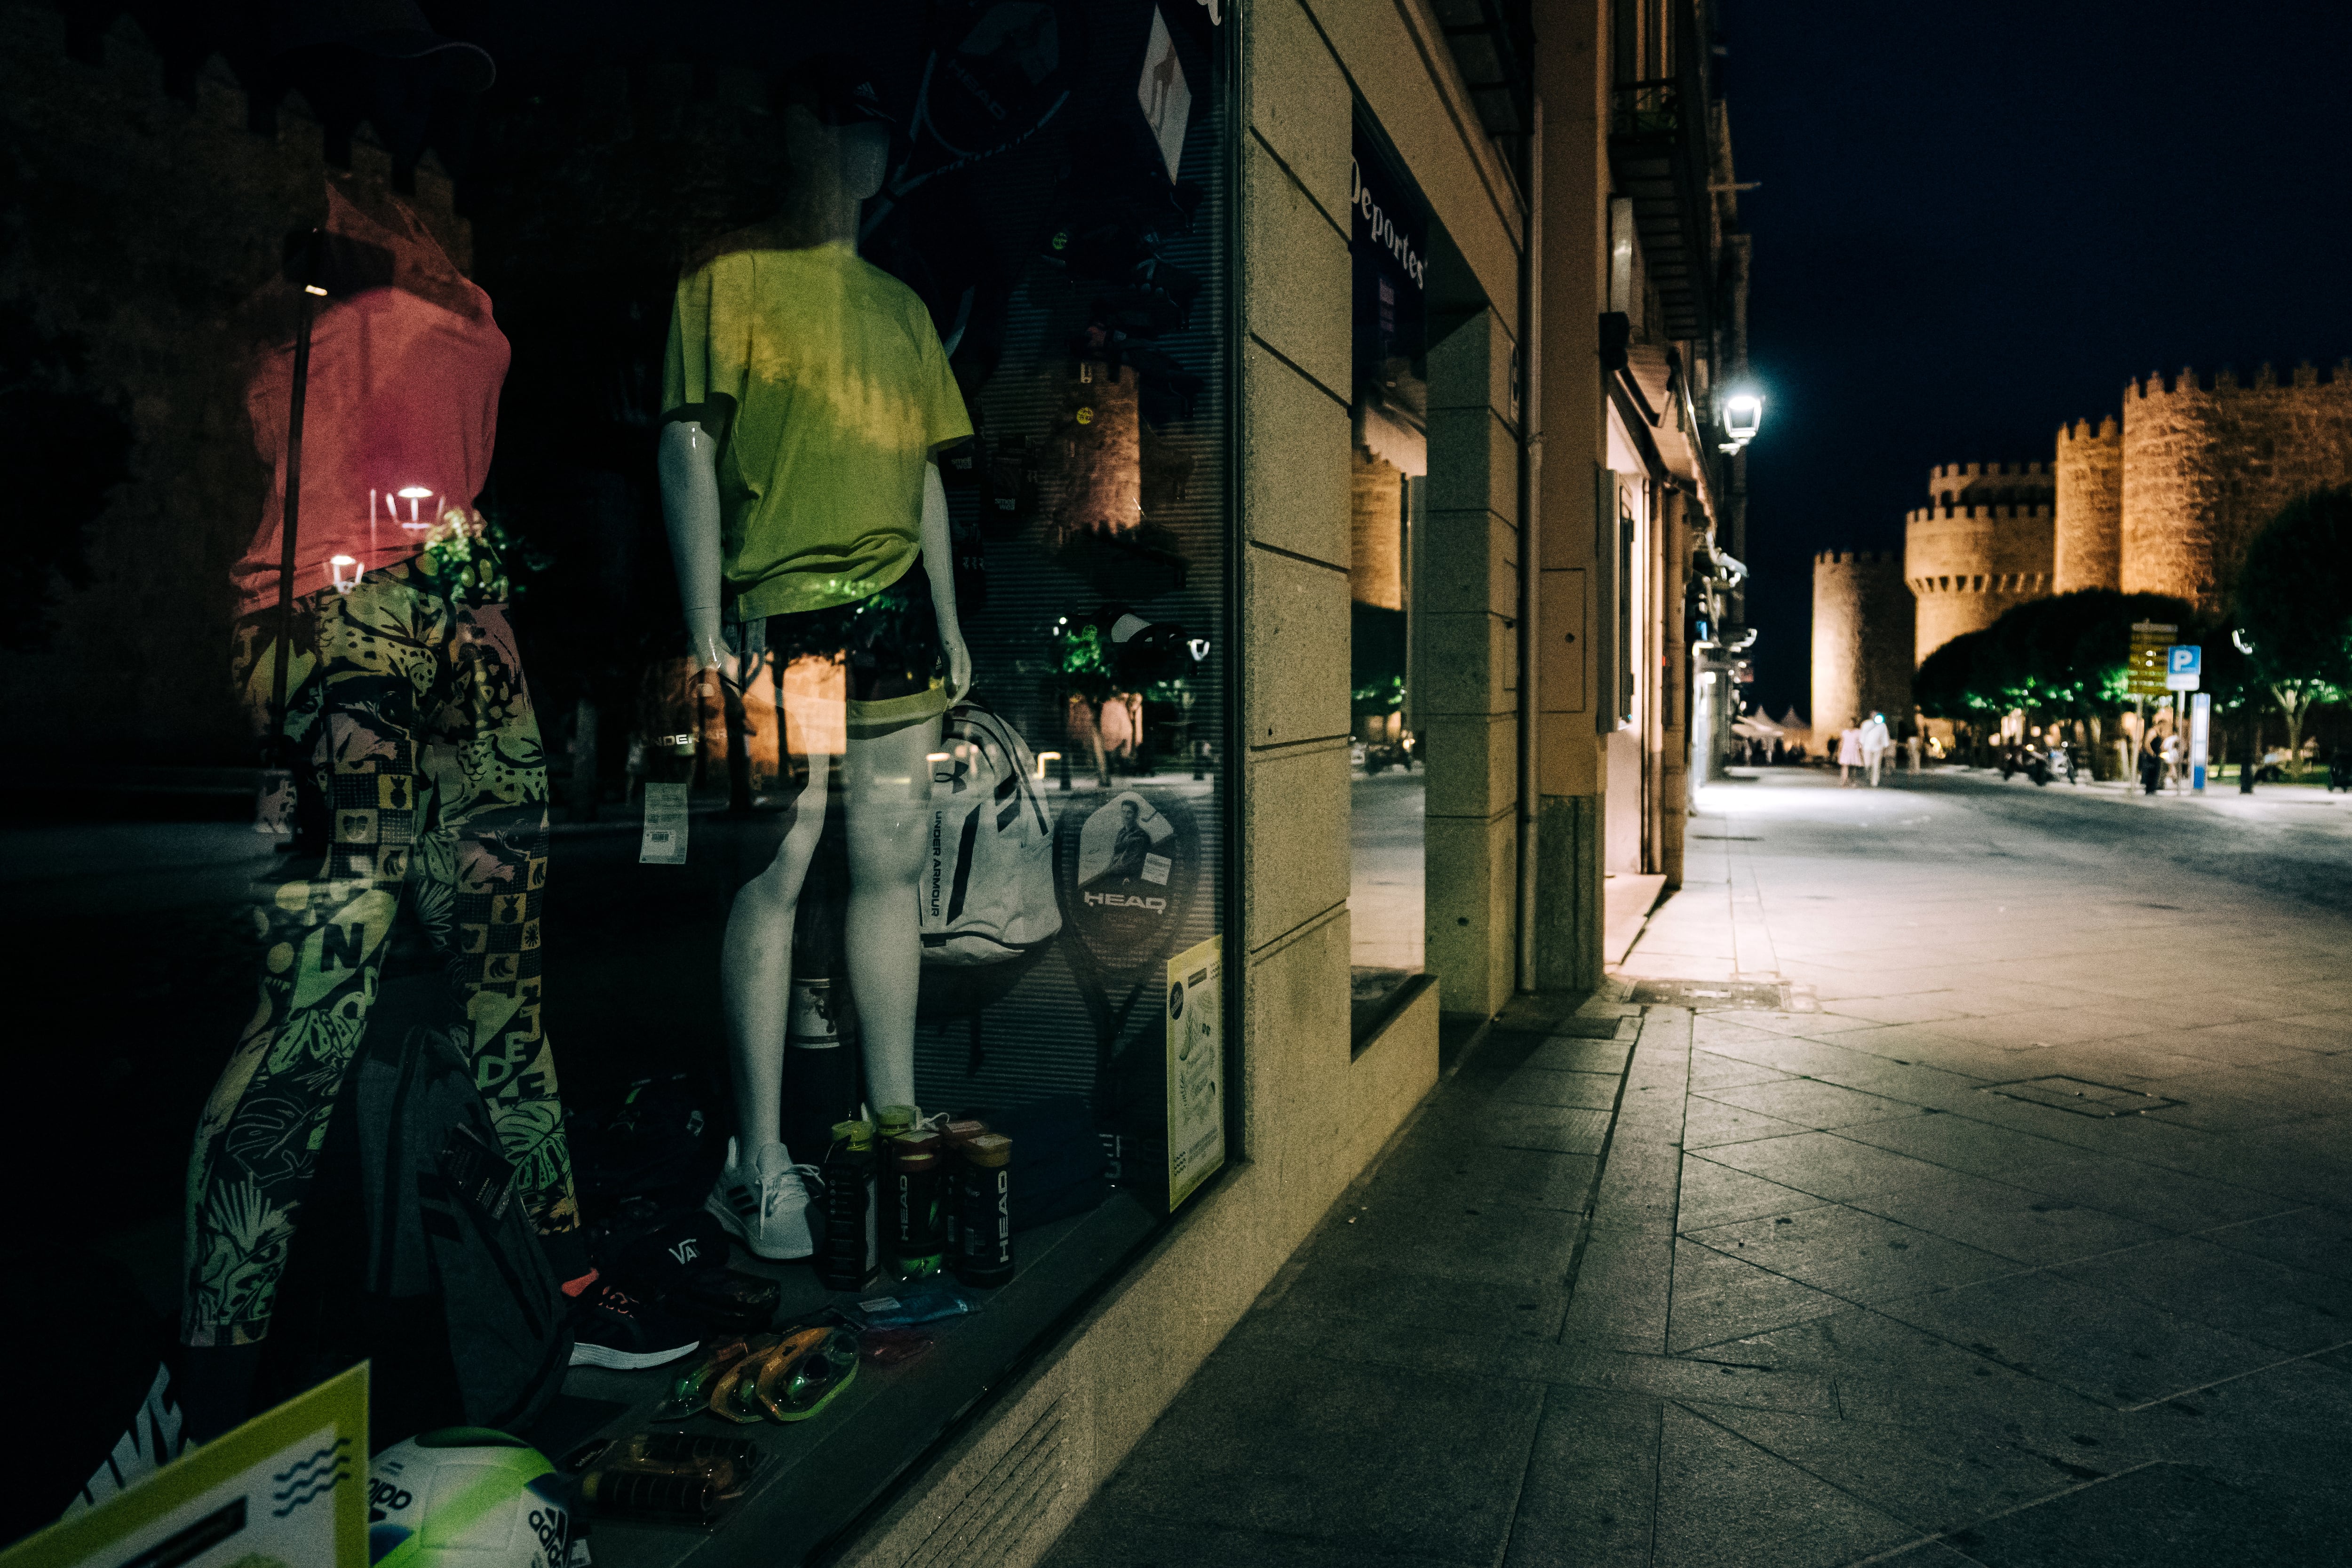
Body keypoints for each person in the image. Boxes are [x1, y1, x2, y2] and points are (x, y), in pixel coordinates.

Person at [1859, 710, 1892, 787]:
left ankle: (1875, 781)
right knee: (1868, 764)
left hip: (1878, 748)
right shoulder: (1866, 724)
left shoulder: (1882, 725)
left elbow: (1885, 736)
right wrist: (1861, 745)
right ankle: (1869, 776)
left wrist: (1886, 747)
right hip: (1867, 748)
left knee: (1877, 765)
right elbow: (1863, 735)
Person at [1836, 718, 1864, 787]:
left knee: (1853, 767)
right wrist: (1839, 751)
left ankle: (1853, 781)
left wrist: (1861, 751)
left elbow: (1860, 742)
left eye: (1852, 723)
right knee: (1845, 766)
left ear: (1854, 723)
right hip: (1846, 751)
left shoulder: (1858, 732)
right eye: (1849, 723)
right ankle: (1844, 781)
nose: (1851, 724)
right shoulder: (1845, 732)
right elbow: (1841, 742)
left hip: (1854, 750)